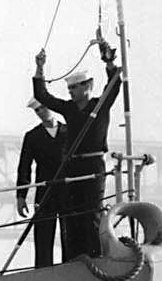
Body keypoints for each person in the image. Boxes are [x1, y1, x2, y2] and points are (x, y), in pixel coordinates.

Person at [32, 43, 122, 261]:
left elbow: (114, 85)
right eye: (69, 89)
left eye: (74, 88)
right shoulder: (69, 109)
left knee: (91, 213)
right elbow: (42, 95)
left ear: (87, 86)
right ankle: (73, 260)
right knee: (71, 215)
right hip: (73, 165)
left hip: (93, 166)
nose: (71, 92)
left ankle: (95, 257)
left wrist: (109, 62)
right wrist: (40, 68)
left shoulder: (100, 105)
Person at [16, 98, 68, 266]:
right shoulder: (32, 136)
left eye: (43, 107)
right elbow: (24, 167)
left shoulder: (69, 131)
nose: (41, 112)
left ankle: (71, 269)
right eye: (37, 110)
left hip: (68, 190)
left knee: (70, 236)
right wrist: (21, 196)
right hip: (44, 191)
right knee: (43, 238)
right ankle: (43, 271)